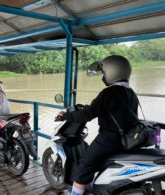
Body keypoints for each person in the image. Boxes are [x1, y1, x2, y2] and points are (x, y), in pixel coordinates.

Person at [58, 55, 139, 195]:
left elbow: (87, 115)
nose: (103, 76)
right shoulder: (131, 92)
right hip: (127, 139)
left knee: (83, 169)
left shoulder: (109, 93)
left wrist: (66, 115)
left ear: (113, 72)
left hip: (109, 140)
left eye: (104, 73)